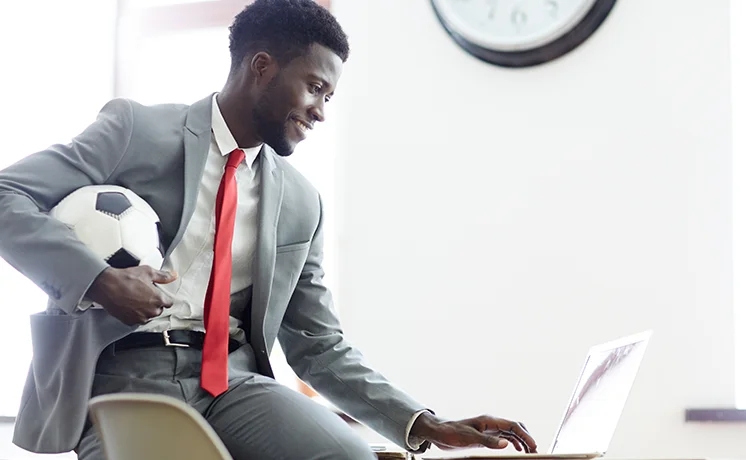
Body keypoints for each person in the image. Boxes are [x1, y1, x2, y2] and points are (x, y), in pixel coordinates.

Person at [0, 1, 537, 458]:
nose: (321, 111)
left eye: (330, 98)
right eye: (316, 88)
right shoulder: (136, 130)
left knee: (348, 453)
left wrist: (423, 423)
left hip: (232, 383)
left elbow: (319, 345)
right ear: (262, 66)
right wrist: (98, 279)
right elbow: (8, 194)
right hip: (124, 372)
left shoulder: (302, 202)